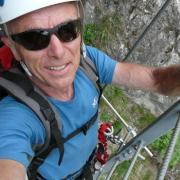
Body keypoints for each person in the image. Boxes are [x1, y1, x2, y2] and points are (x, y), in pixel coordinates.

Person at [0, 0, 180, 179]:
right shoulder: (15, 116)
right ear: (13, 48)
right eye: (34, 39)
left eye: (67, 30)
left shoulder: (88, 63)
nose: (58, 52)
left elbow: (156, 80)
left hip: (88, 167)